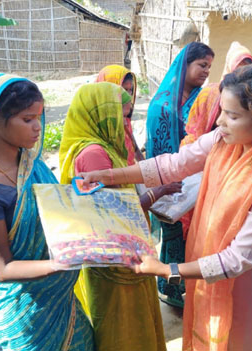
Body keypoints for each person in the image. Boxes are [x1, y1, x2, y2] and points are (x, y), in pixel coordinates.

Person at [79, 64, 252, 351]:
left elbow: (239, 258)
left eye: (232, 116)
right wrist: (110, 176)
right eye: (221, 111)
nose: (219, 122)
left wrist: (169, 270)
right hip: (227, 276)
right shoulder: (226, 142)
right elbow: (174, 164)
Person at [0, 70, 94, 351]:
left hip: (62, 301)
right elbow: (3, 268)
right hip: (27, 312)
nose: (38, 127)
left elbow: (55, 215)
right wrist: (61, 264)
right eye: (27, 119)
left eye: (38, 117)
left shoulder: (30, 164)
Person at [58, 82, 176, 351]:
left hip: (123, 255)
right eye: (122, 116)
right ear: (101, 117)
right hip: (117, 261)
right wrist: (157, 194)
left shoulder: (101, 147)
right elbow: (115, 217)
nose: (126, 124)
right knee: (124, 326)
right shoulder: (94, 155)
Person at [145, 41, 214, 307]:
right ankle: (169, 289)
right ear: (184, 65)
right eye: (201, 65)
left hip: (196, 179)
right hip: (168, 180)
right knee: (173, 237)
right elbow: (157, 147)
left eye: (209, 66)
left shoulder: (204, 99)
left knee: (193, 236)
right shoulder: (161, 104)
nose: (206, 71)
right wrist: (165, 183)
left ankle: (187, 286)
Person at [178, 42, 252, 243]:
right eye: (239, 66)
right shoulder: (210, 94)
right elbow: (194, 134)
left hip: (234, 172)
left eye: (248, 67)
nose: (242, 73)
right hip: (203, 168)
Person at [96, 64, 144, 163]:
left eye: (130, 90)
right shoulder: (97, 126)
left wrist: (147, 167)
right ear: (107, 91)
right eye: (123, 90)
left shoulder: (123, 117)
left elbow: (133, 147)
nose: (129, 96)